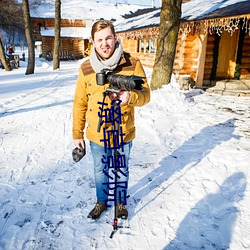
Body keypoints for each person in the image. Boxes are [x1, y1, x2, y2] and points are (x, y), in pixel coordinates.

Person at [72, 20, 150, 220]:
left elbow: (146, 95)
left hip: (123, 131)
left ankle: (121, 202)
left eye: (108, 38)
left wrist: (130, 97)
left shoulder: (132, 63)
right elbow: (80, 102)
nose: (104, 43)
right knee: (100, 169)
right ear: (93, 42)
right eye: (99, 40)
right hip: (97, 133)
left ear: (115, 38)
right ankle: (102, 201)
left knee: (121, 166)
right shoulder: (86, 68)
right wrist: (77, 134)